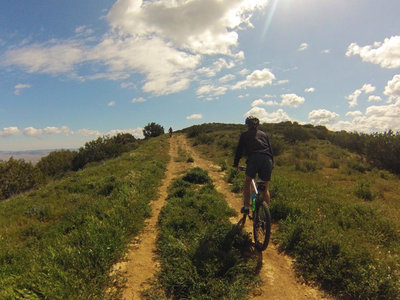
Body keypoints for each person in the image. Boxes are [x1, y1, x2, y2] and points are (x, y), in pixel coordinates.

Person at [233, 116, 273, 215]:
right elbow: (270, 150)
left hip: (254, 159)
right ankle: (265, 214)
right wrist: (272, 164)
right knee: (265, 187)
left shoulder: (244, 135)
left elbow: (239, 150)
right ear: (258, 125)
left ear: (247, 125)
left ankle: (246, 207)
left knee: (247, 182)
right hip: (267, 159)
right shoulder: (264, 134)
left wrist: (236, 163)